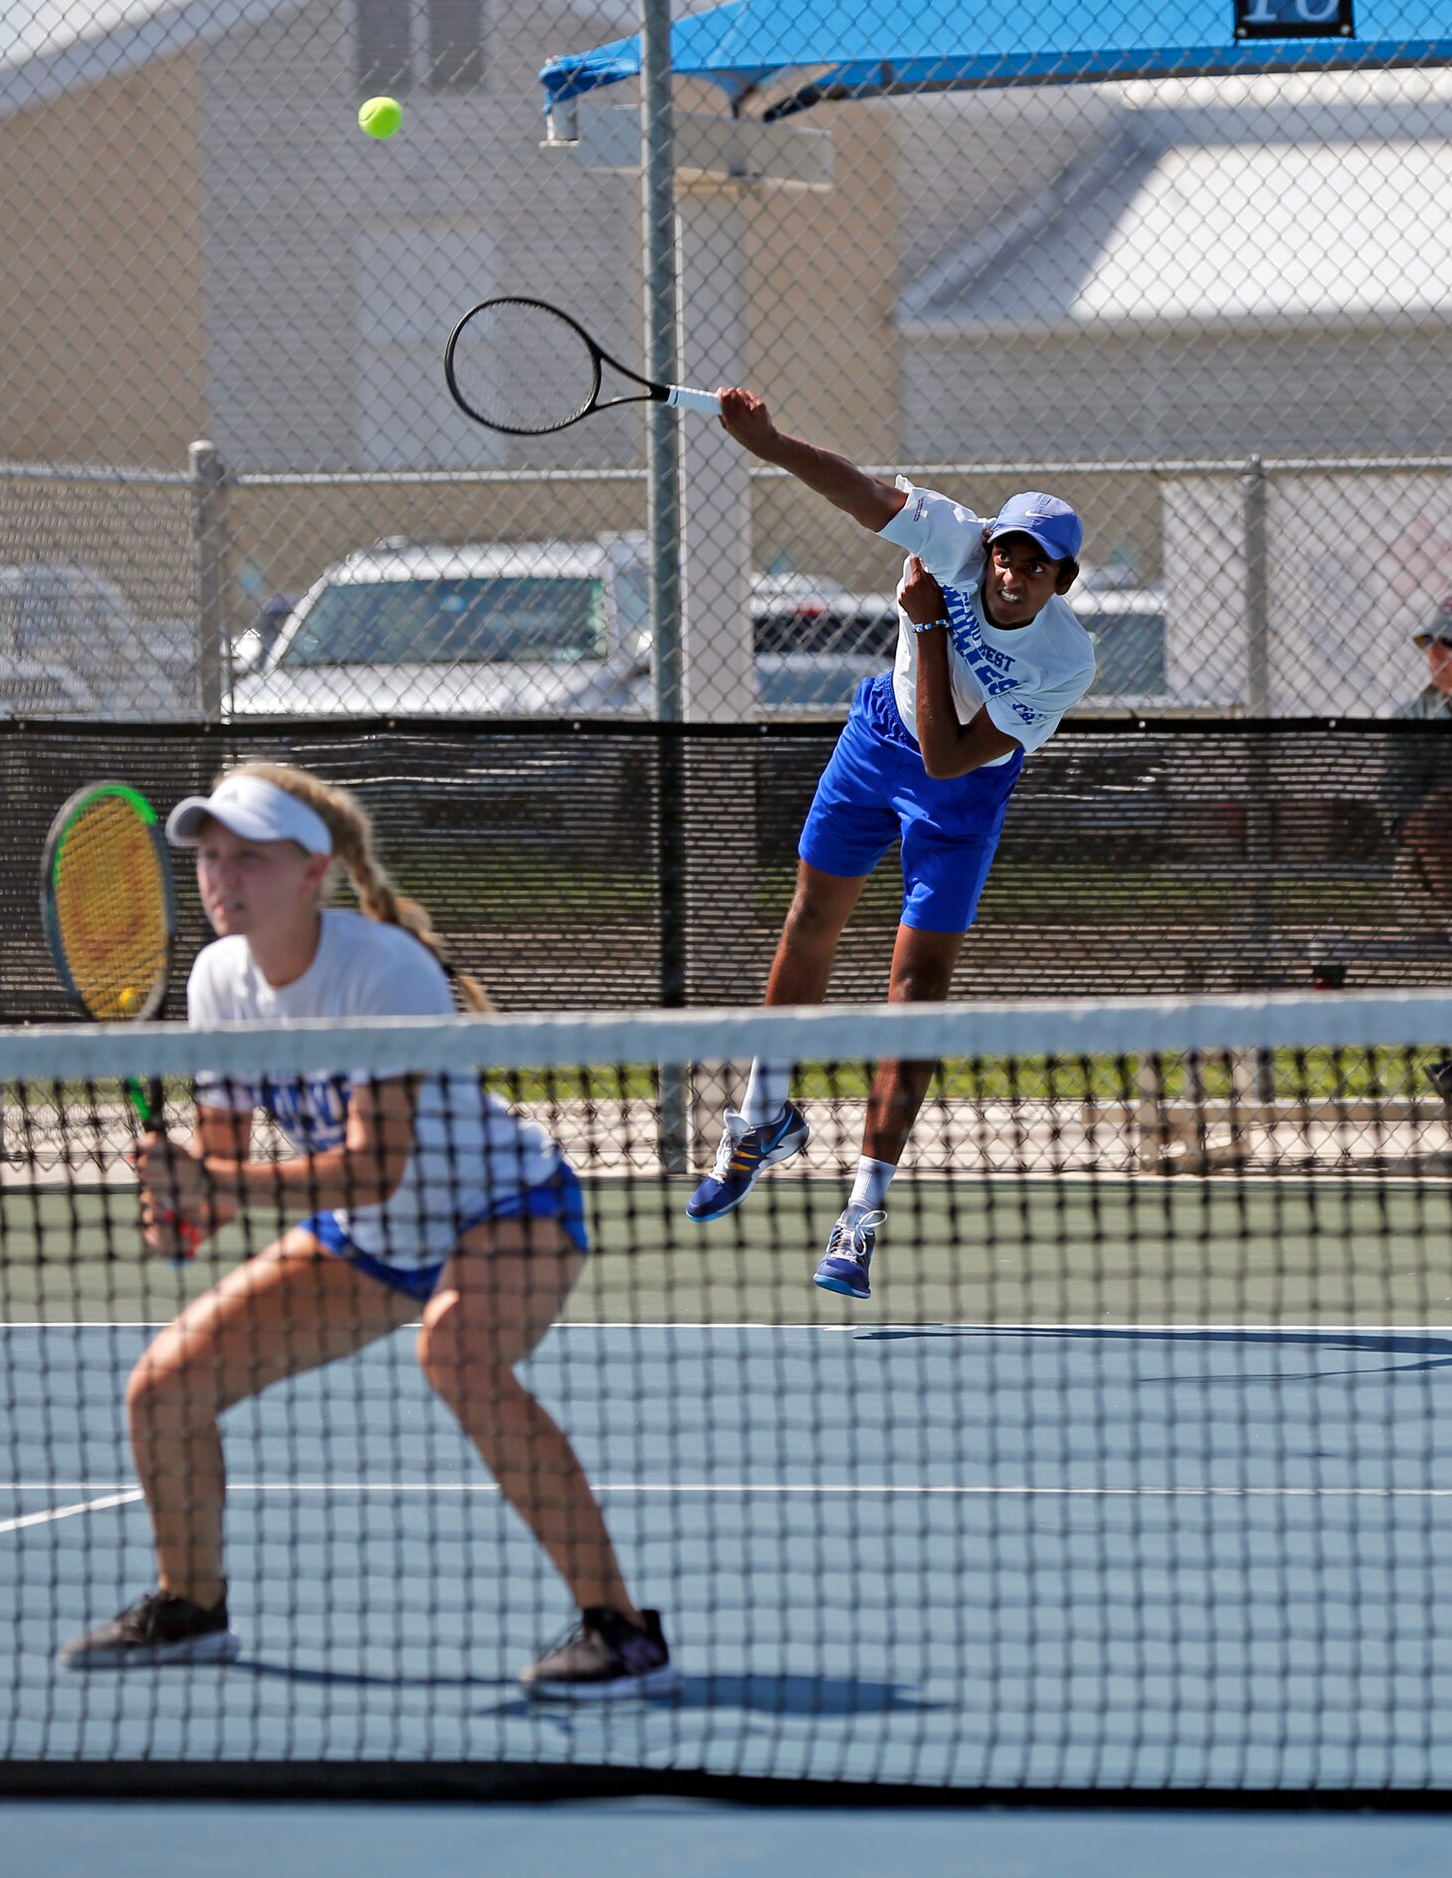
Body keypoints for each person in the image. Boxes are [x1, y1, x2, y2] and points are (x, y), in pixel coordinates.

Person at [56, 761, 680, 1700]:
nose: (222, 878)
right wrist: (185, 1208)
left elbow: (374, 1164)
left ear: (313, 872)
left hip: (504, 1207)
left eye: (250, 859)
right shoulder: (217, 980)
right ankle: (190, 1607)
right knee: (162, 1390)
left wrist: (213, 1180)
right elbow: (222, 1165)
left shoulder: (385, 968)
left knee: (459, 1355)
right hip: (371, 1240)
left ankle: (621, 1630)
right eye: (210, 858)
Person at [685, 388, 1096, 1300]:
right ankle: (761, 1115)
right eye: (1005, 554)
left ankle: (861, 1212)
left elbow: (952, 758)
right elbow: (858, 492)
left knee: (913, 992)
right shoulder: (950, 538)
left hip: (961, 785)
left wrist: (926, 624)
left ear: (1061, 583)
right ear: (987, 549)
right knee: (809, 923)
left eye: (1037, 566)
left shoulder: (1065, 660)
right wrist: (771, 442)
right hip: (876, 741)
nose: (1012, 573)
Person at [1389, 598, 1452, 1102]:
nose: (1435, 653)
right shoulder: (1414, 717)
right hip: (1430, 878)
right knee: (1441, 809)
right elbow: (1408, 824)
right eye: (1430, 643)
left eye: (1446, 643)